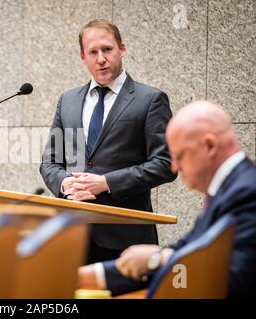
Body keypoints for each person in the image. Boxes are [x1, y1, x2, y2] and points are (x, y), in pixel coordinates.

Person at [78, 101, 256, 298]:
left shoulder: (247, 192)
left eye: (179, 156)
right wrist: (85, 277)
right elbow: (185, 250)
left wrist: (157, 258)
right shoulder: (228, 190)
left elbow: (233, 279)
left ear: (210, 146)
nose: (174, 168)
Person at [40, 19, 176, 264]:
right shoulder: (67, 101)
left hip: (126, 239)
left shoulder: (151, 100)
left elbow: (167, 164)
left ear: (121, 49)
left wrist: (105, 182)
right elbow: (50, 162)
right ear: (83, 56)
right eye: (93, 52)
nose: (100, 58)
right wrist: (66, 184)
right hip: (71, 235)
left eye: (107, 49)